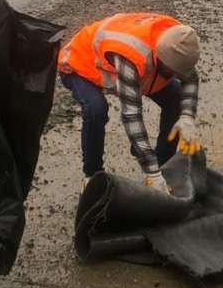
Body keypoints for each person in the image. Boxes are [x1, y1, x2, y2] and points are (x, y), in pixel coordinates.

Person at [58, 13, 202, 189]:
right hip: (80, 64)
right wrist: (151, 170)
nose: (174, 76)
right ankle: (92, 176)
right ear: (160, 59)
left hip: (131, 66)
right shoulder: (131, 55)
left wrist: (187, 115)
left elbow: (191, 79)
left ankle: (164, 165)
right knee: (96, 111)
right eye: (171, 71)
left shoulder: (180, 41)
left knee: (176, 98)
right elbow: (131, 114)